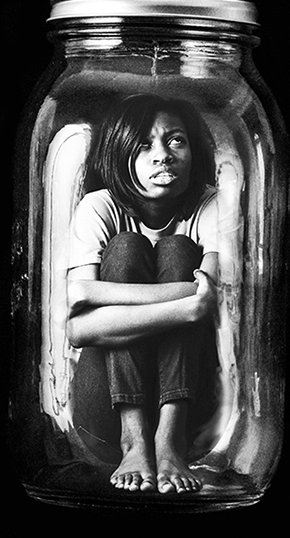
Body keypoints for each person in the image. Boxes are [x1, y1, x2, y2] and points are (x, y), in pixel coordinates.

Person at [66, 94, 220, 495]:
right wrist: (188, 307)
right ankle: (133, 439)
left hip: (195, 414)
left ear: (192, 150)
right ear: (119, 153)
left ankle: (170, 439)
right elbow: (77, 329)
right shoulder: (99, 207)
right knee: (125, 248)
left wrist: (101, 298)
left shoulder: (211, 204)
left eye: (176, 140)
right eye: (143, 145)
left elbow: (215, 297)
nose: (162, 155)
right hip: (105, 411)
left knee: (178, 250)